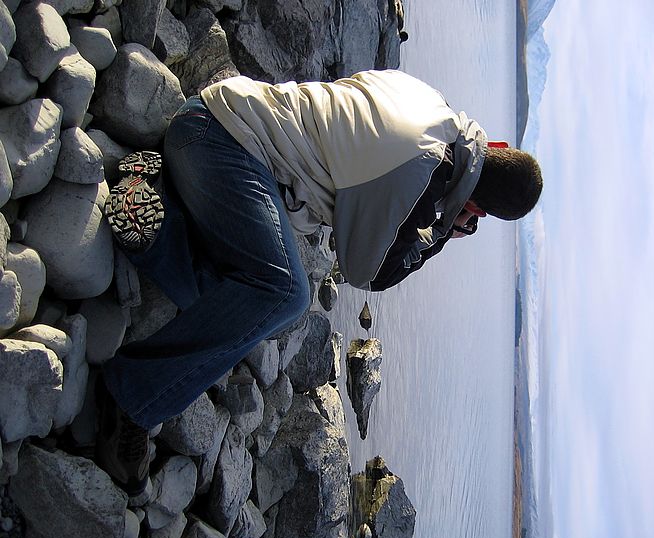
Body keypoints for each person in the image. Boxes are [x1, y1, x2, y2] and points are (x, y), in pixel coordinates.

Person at [95, 69, 543, 495]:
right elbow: (367, 272)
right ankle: (132, 397)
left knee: (236, 310)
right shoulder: (422, 173)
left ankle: (157, 221)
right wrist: (441, 232)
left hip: (217, 124)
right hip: (221, 147)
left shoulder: (433, 104)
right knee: (283, 295)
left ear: (498, 145)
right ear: (480, 210)